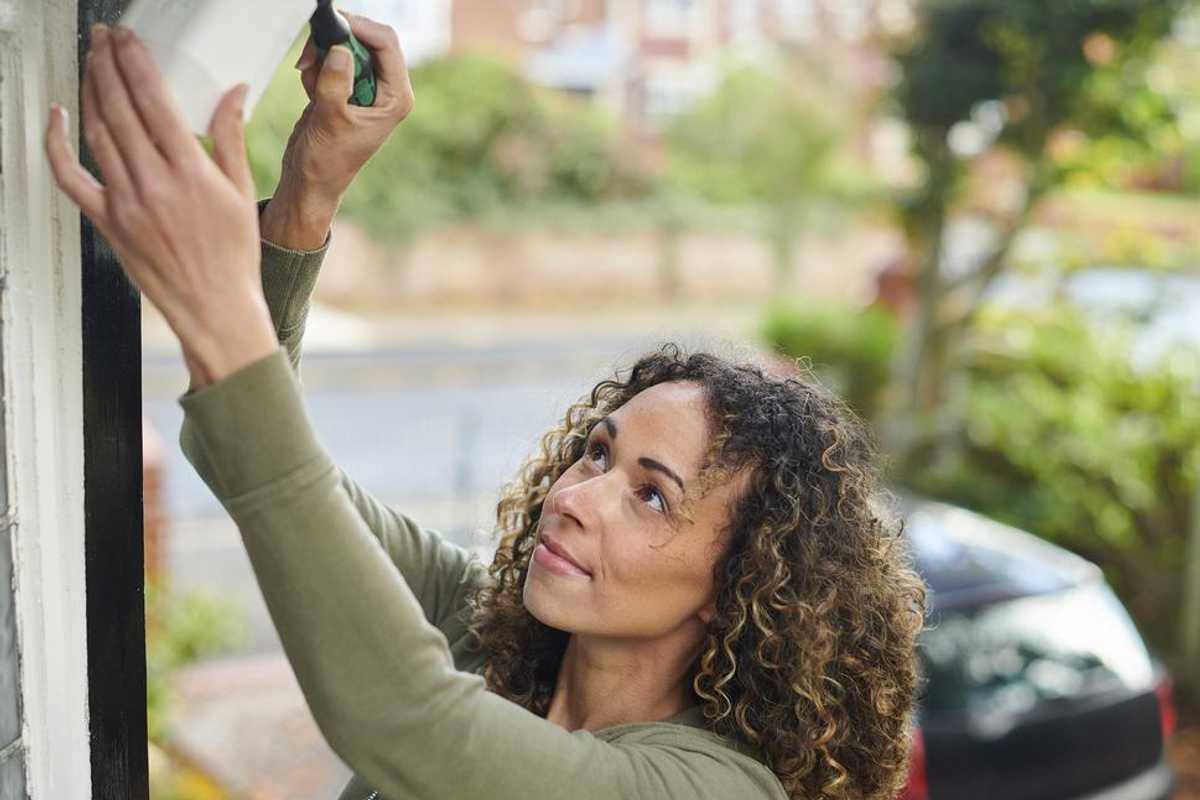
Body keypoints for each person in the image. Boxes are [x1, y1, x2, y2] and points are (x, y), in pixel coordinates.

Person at [45, 16, 927, 800]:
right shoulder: (498, 637)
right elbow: (255, 461)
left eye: (652, 495)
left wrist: (219, 307)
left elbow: (415, 726)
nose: (576, 498)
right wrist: (306, 198)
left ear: (741, 582)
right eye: (597, 454)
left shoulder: (715, 785)